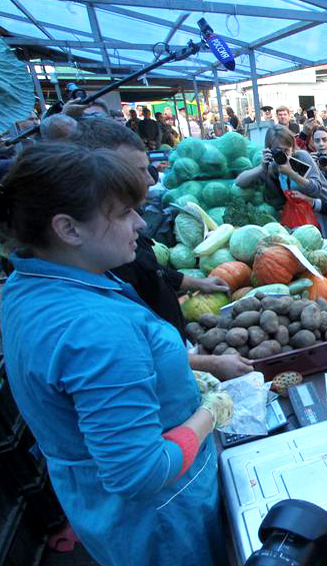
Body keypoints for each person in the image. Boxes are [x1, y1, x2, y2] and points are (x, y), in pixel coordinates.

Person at [0, 143, 231, 566]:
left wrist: (181, 373)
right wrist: (210, 412)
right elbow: (140, 472)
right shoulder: (95, 330)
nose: (141, 223)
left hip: (101, 504)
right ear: (68, 228)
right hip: (161, 515)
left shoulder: (28, 282)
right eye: (124, 212)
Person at [73, 118, 253, 380]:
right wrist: (209, 369)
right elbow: (137, 362)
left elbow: (149, 269)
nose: (149, 179)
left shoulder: (104, 250)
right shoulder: (93, 307)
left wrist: (194, 282)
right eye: (137, 170)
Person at [235, 125, 327, 232]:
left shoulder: (301, 156)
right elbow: (239, 182)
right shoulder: (274, 166)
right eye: (279, 151)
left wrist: (291, 173)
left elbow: (316, 189)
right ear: (269, 149)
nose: (284, 155)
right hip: (305, 217)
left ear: (292, 146)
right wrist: (262, 167)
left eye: (286, 150)